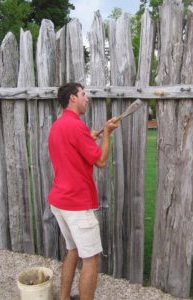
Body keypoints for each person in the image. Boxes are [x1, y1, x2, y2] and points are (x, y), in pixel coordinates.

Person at [48, 82, 119, 300]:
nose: (86, 98)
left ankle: (64, 298)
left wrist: (90, 137)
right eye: (83, 94)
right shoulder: (76, 126)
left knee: (73, 251)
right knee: (91, 259)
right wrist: (107, 133)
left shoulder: (58, 126)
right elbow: (100, 161)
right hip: (76, 205)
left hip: (59, 203)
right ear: (72, 98)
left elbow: (74, 148)